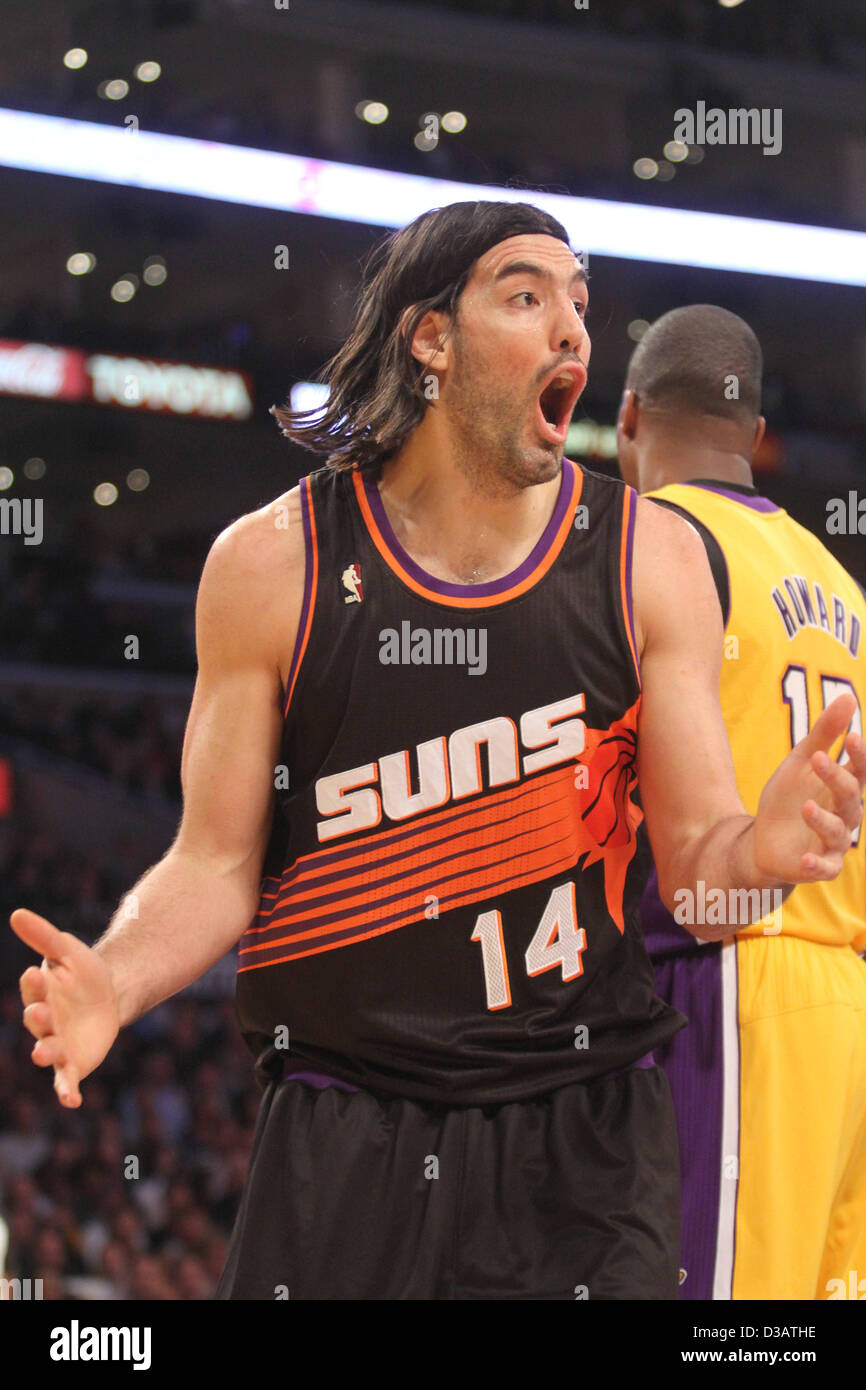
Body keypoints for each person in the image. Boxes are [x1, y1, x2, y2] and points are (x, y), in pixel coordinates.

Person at [11, 204, 866, 1302]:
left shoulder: (649, 559)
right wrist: (115, 980)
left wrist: (763, 851)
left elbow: (698, 865)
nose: (570, 328)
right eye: (526, 296)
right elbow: (216, 862)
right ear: (430, 338)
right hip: (344, 1121)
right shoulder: (272, 566)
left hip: (584, 1129)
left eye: (579, 302)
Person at [616, 303, 866, 1301]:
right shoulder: (841, 584)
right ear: (753, 436)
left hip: (725, 976)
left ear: (628, 417)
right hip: (839, 993)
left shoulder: (651, 544)